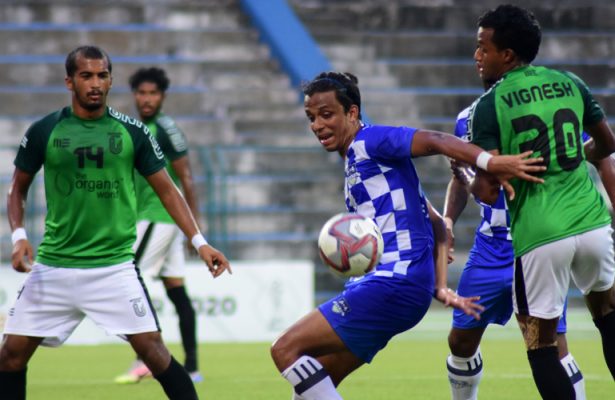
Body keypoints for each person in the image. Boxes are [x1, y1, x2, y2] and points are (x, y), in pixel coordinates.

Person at [269, 71, 545, 400]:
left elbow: (435, 140)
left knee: (285, 349)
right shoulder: (361, 163)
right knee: (315, 381)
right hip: (399, 287)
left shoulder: (371, 141)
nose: (317, 125)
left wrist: (489, 161)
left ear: (352, 113)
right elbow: (437, 223)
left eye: (326, 115)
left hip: (392, 282)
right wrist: (440, 283)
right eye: (311, 117)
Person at [0, 45, 231, 400]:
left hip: (112, 268)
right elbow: (17, 188)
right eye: (86, 76)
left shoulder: (133, 132)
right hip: (54, 266)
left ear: (110, 81)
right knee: (10, 356)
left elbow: (168, 191)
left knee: (154, 352)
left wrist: (199, 242)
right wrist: (18, 236)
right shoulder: (45, 130)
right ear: (69, 81)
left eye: (102, 75)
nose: (95, 83)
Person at [469, 5, 615, 399]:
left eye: (483, 47)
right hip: (593, 224)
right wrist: (579, 154)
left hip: (542, 233)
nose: (477, 55)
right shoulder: (570, 82)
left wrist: (468, 174)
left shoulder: (489, 105)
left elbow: (487, 192)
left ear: (507, 55)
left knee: (542, 345)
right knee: (609, 317)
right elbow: (607, 143)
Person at [113, 67, 203, 384]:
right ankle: (192, 367)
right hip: (154, 218)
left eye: (153, 93)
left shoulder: (165, 129)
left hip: (160, 218)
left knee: (129, 278)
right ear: (134, 95)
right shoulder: (138, 127)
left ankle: (147, 358)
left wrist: (195, 231)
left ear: (163, 96)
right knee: (176, 290)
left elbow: (186, 177)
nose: (147, 99)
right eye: (142, 93)